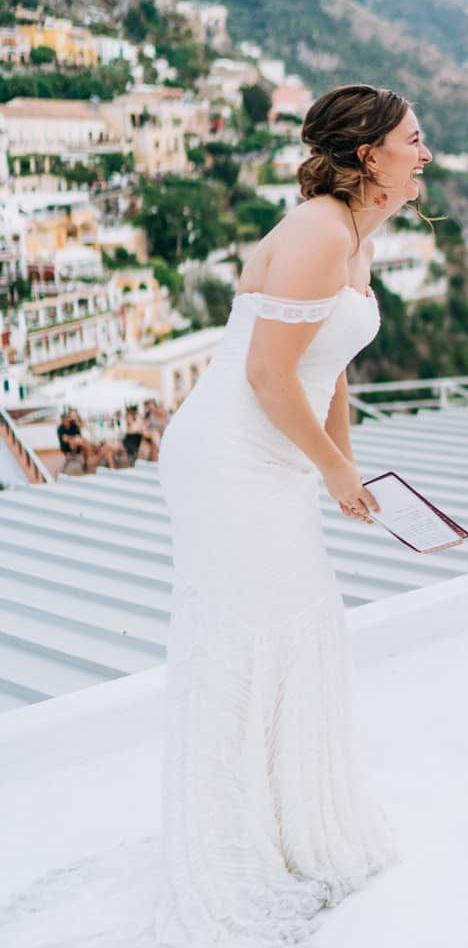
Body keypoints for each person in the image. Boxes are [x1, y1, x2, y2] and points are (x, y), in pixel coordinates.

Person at [0, 85, 429, 946]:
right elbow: (270, 377)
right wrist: (336, 469)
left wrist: (345, 471)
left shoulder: (355, 235)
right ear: (367, 152)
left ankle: (281, 827)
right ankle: (231, 858)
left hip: (279, 455)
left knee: (296, 626)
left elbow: (329, 365)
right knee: (248, 636)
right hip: (233, 457)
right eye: (413, 139)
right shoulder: (315, 231)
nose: (426, 151)